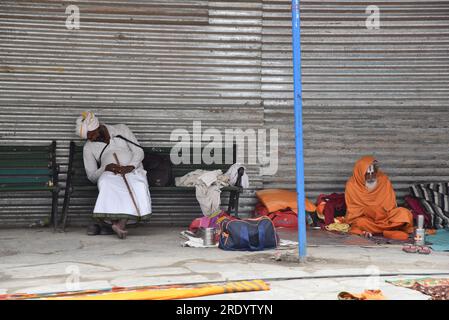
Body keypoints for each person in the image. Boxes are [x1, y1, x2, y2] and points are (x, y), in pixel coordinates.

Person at [75, 111, 152, 239]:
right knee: (106, 184)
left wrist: (131, 166)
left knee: (138, 185)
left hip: (133, 170)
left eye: (91, 135)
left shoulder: (121, 129)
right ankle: (115, 224)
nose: (91, 139)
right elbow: (92, 176)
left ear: (98, 128)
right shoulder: (88, 148)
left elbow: (139, 151)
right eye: (87, 137)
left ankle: (120, 224)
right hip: (110, 174)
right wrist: (105, 168)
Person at [345, 155, 413, 240]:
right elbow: (353, 209)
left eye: (373, 173)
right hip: (367, 219)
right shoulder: (352, 184)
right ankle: (389, 229)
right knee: (360, 223)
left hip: (386, 217)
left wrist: (380, 213)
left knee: (405, 213)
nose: (370, 177)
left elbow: (390, 205)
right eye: (367, 174)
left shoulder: (383, 179)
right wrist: (370, 210)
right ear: (360, 173)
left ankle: (379, 230)